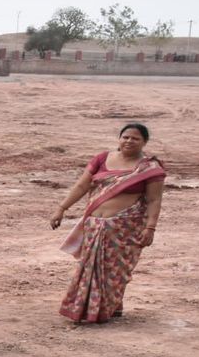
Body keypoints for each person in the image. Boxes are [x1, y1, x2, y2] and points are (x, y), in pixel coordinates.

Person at [51, 123, 166, 323]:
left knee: (116, 269)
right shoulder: (102, 158)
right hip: (94, 224)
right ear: (119, 139)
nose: (129, 141)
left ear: (144, 142)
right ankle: (91, 308)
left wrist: (150, 227)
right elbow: (82, 185)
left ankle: (107, 307)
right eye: (126, 137)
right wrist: (62, 208)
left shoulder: (150, 168)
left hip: (124, 227)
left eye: (135, 138)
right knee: (90, 267)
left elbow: (155, 200)